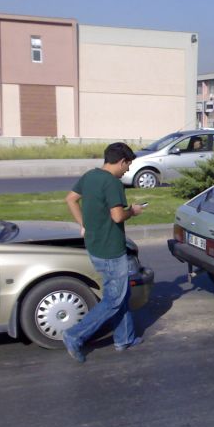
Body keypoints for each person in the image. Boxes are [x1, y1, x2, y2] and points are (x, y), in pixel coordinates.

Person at [62, 142, 145, 363]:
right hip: (110, 250)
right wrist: (133, 212)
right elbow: (118, 216)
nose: (127, 170)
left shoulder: (90, 176)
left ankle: (124, 338)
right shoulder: (112, 183)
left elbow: (70, 199)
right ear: (121, 162)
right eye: (128, 165)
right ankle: (74, 335)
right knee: (113, 300)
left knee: (122, 293)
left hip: (95, 245)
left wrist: (84, 223)